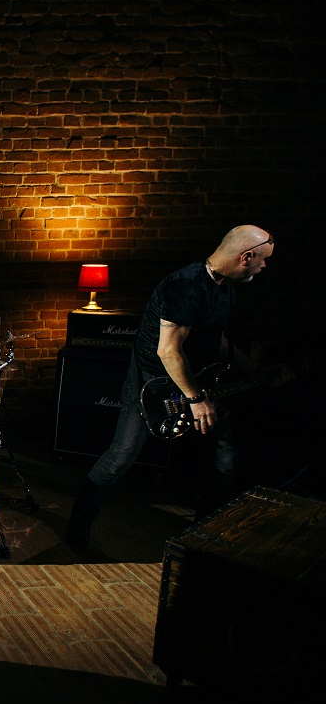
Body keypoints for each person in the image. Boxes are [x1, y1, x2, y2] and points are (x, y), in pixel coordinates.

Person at [65, 225, 289, 549]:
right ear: (246, 257)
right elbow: (168, 351)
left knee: (225, 459)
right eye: (263, 259)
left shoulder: (226, 289)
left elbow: (217, 341)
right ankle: (77, 526)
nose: (265, 266)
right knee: (120, 457)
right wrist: (196, 399)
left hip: (194, 381)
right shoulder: (184, 286)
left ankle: (199, 538)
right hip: (151, 382)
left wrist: (255, 370)